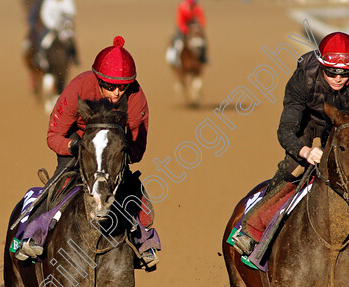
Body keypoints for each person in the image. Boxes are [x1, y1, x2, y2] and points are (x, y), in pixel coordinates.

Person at [231, 31, 349, 276]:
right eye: (332, 72)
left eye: (345, 73)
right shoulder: (303, 76)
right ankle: (253, 229)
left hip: (345, 129)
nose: (339, 79)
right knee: (291, 171)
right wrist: (306, 150)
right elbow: (285, 129)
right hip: (308, 127)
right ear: (321, 66)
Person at [15, 36, 159, 269]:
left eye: (122, 87)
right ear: (98, 80)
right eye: (110, 86)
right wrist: (76, 148)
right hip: (76, 142)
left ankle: (143, 239)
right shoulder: (79, 88)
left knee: (131, 189)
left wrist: (117, 154)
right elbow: (54, 135)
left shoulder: (136, 98)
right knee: (60, 180)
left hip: (112, 147)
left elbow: (138, 148)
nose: (116, 93)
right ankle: (33, 234)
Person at [23, 0, 78, 79]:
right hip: (51, 28)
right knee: (44, 41)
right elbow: (45, 15)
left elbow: (71, 13)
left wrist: (65, 24)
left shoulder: (68, 1)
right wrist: (54, 26)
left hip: (64, 27)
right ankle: (41, 56)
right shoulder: (49, 2)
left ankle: (74, 56)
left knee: (71, 39)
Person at [168, 0, 207, 66]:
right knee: (178, 43)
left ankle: (203, 58)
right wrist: (185, 30)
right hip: (183, 27)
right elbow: (180, 21)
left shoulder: (197, 7)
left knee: (202, 42)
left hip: (194, 27)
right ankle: (175, 59)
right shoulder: (182, 7)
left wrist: (199, 26)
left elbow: (201, 18)